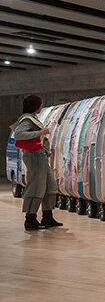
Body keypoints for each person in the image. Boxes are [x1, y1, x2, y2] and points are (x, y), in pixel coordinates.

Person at [10, 95, 62, 230]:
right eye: (40, 104)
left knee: (50, 186)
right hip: (34, 157)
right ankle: (30, 219)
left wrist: (45, 150)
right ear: (35, 106)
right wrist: (39, 132)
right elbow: (18, 134)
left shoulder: (33, 119)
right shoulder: (27, 120)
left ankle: (47, 216)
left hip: (40, 156)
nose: (42, 106)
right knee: (35, 187)